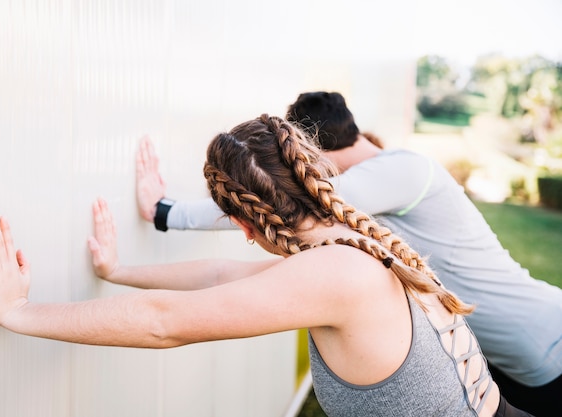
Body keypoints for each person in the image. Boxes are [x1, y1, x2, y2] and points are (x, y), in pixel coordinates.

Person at [0, 114, 532, 416]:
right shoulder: (352, 240)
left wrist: (20, 312)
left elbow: (163, 322)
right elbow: (219, 277)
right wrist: (117, 271)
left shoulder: (337, 274)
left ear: (244, 225)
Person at [137, 92, 562, 417]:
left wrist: (164, 211)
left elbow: (273, 202)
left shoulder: (404, 171)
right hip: (509, 355)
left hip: (545, 344)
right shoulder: (382, 183)